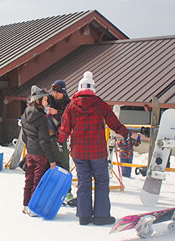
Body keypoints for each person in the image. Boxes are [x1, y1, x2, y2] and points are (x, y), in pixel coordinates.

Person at [57, 71, 131, 226]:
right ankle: (101, 216)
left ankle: (84, 216)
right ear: (93, 89)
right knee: (102, 181)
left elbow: (64, 128)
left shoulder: (71, 107)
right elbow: (114, 123)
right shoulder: (100, 104)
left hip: (79, 152)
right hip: (98, 152)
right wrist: (126, 134)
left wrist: (60, 141)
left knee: (84, 181)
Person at [21, 85, 56, 216]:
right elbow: (44, 140)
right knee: (38, 180)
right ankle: (34, 207)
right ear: (38, 101)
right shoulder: (41, 117)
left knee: (28, 178)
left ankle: (26, 205)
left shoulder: (25, 114)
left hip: (30, 152)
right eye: (45, 100)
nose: (47, 103)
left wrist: (30, 146)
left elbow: (24, 135)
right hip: (41, 153)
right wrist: (51, 160)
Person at [47, 80, 72, 177]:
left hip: (61, 137)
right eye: (53, 92)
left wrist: (57, 113)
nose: (55, 94)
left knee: (63, 163)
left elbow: (69, 120)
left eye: (57, 92)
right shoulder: (50, 99)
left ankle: (66, 188)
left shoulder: (68, 104)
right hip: (48, 136)